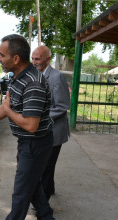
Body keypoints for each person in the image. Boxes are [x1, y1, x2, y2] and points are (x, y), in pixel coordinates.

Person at [0, 34, 57, 220]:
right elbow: (6, 111)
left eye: (2, 55)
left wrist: (7, 110)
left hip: (35, 142)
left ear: (15, 59)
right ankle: (46, 219)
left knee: (22, 189)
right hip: (29, 142)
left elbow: (30, 125)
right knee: (31, 183)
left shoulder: (32, 83)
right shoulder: (18, 77)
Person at [31, 46, 70, 200]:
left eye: (38, 59)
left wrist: (37, 118)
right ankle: (50, 189)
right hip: (41, 130)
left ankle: (43, 208)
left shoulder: (57, 77)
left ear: (48, 59)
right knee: (47, 165)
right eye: (33, 58)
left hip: (53, 131)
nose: (34, 62)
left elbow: (62, 106)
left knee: (45, 168)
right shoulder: (35, 74)